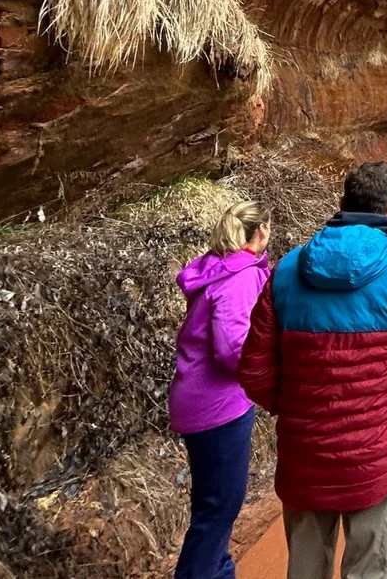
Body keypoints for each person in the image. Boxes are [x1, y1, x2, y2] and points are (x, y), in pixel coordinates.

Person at [239, 162, 387, 579]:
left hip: (304, 455)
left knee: (305, 571)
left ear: (341, 204)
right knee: (372, 571)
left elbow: (254, 372)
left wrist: (300, 410)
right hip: (379, 457)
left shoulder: (286, 270)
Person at [169, 200, 272, 579]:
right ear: (260, 232)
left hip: (195, 397)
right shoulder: (240, 275)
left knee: (213, 506)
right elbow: (232, 347)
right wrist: (269, 368)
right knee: (219, 509)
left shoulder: (215, 266)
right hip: (219, 405)